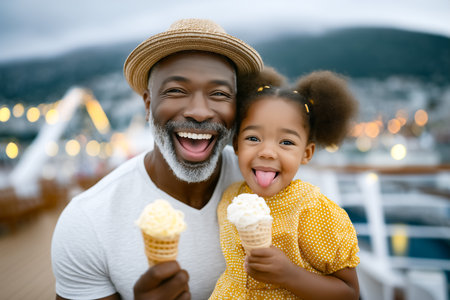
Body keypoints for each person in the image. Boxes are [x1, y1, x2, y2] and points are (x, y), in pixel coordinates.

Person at [51, 18, 263, 300]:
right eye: (176, 90)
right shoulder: (87, 221)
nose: (199, 112)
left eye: (219, 94)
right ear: (148, 103)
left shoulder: (271, 186)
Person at [209, 68, 360, 299]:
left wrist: (289, 275)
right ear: (236, 145)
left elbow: (349, 292)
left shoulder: (313, 211)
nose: (267, 152)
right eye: (253, 138)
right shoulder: (230, 197)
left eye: (286, 142)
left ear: (306, 153)